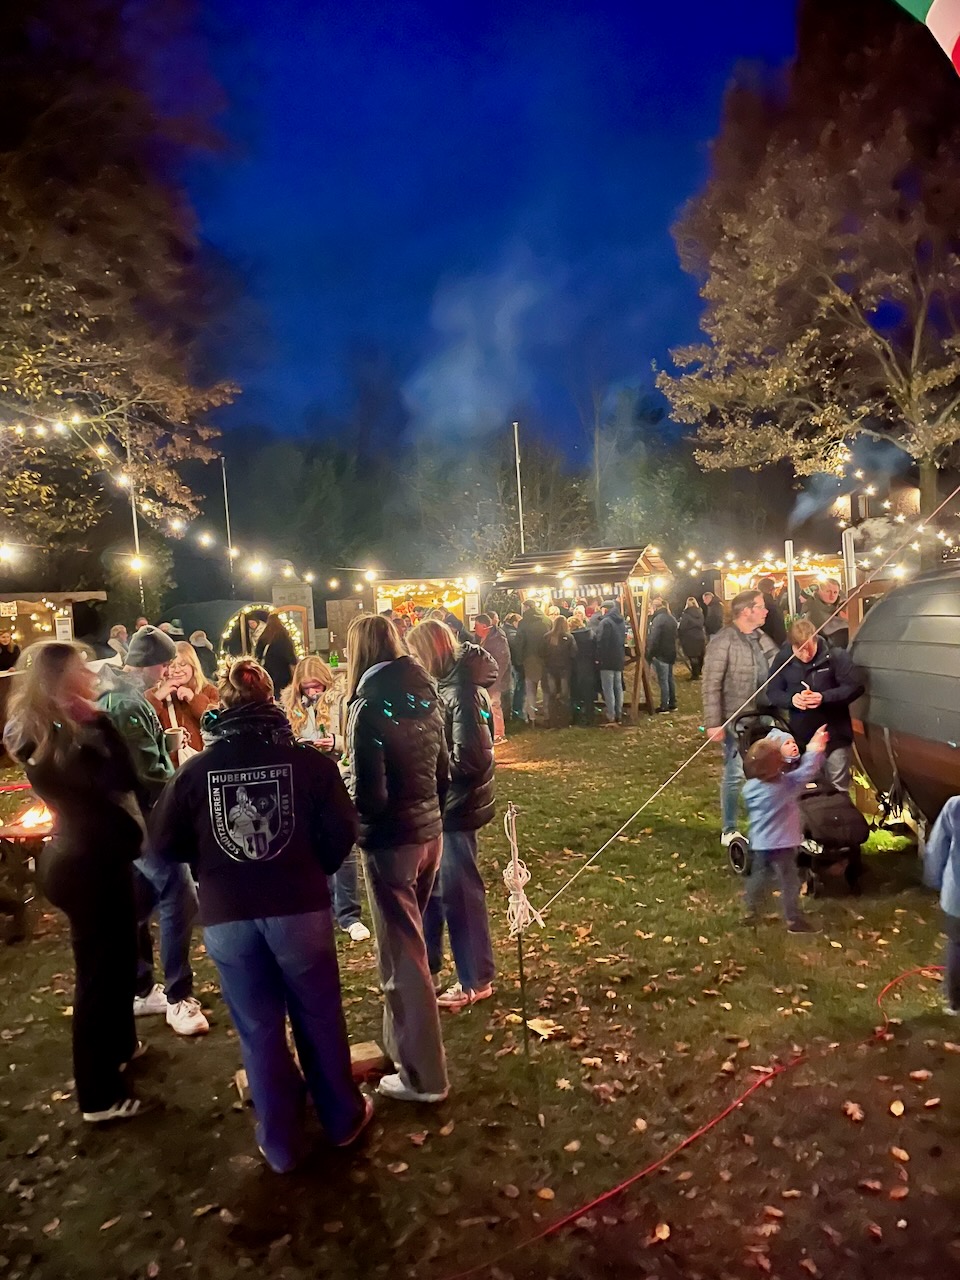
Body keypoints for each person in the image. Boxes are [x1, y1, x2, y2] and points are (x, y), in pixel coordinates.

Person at [151, 659, 371, 1170]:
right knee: (319, 1015)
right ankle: (342, 1119)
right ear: (272, 699)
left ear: (221, 705)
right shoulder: (309, 764)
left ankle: (281, 1143)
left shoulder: (195, 772)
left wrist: (209, 864)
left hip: (229, 912)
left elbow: (162, 841)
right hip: (299, 907)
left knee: (258, 1027)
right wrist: (315, 866)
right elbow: (344, 828)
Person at [4, 642, 147, 1121]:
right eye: (80, 668)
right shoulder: (61, 735)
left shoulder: (45, 730)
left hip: (89, 859)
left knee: (120, 959)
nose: (90, 673)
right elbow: (122, 778)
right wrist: (101, 724)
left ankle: (121, 1047)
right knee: (98, 975)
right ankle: (98, 1095)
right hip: (87, 867)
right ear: (61, 679)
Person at [345, 613, 450, 1103]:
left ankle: (423, 1077)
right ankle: (403, 1051)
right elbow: (443, 770)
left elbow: (371, 796)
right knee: (410, 949)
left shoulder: (368, 706)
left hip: (393, 843)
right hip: (429, 834)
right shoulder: (426, 693)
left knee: (402, 959)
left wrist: (346, 792)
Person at [99, 625, 208, 1036]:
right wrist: (182, 783)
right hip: (144, 819)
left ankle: (141, 986)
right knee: (180, 894)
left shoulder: (115, 694)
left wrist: (162, 743)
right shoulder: (128, 705)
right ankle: (179, 996)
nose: (167, 671)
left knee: (139, 902)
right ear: (151, 664)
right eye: (164, 664)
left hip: (124, 819)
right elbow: (148, 773)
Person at [406, 620, 496, 1010]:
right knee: (438, 891)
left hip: (457, 807)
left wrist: (427, 769)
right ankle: (435, 968)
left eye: (415, 652)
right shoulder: (447, 686)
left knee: (460, 892)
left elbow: (471, 760)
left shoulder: (461, 691)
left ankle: (476, 978)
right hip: (445, 804)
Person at [282, 656, 371, 943]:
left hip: (337, 776)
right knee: (310, 846)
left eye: (316, 687)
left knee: (343, 844)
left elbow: (354, 741)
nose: (312, 693)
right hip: (305, 782)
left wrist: (335, 742)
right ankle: (321, 907)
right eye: (306, 688)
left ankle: (349, 913)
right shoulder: (290, 708)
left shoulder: (341, 703)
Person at [741, 725, 828, 932]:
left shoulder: (751, 787)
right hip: (782, 844)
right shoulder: (783, 788)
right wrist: (815, 748)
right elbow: (805, 772)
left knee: (759, 877)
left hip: (761, 843)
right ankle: (793, 920)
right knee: (790, 881)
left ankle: (752, 911)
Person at [702, 590, 771, 846]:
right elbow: (711, 683)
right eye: (760, 606)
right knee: (735, 774)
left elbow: (778, 664)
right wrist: (713, 722)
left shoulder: (761, 638)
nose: (766, 611)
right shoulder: (723, 641)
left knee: (767, 771)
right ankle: (729, 828)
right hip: (735, 720)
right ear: (746, 611)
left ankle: (766, 824)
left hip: (764, 716)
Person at [765, 619, 864, 793]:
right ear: (792, 645)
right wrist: (792, 700)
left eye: (810, 649)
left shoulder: (835, 656)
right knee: (809, 789)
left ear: (815, 639)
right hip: (803, 736)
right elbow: (772, 691)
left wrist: (824, 697)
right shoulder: (783, 659)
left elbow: (855, 687)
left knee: (838, 788)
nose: (806, 655)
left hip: (835, 733)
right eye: (800, 651)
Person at [148, 642, 219, 758]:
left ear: (193, 666)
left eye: (183, 664)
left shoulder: (209, 691)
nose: (177, 670)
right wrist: (157, 697)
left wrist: (194, 699)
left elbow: (216, 723)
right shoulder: (153, 693)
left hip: (203, 759)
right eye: (172, 666)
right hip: (169, 763)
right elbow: (142, 723)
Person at [923, 797, 960, 1015]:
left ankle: (956, 1003)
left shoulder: (955, 806)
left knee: (957, 947)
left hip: (957, 899)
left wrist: (934, 880)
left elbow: (937, 848)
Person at [473, 613, 511, 743]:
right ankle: (491, 731)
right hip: (487, 679)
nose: (474, 628)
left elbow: (502, 662)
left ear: (484, 626)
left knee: (494, 705)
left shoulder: (497, 639)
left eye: (476, 625)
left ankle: (499, 734)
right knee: (488, 705)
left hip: (494, 680)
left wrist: (494, 679)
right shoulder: (485, 638)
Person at [517, 599, 550, 724]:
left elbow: (520, 642)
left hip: (529, 657)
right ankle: (547, 715)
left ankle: (532, 717)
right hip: (546, 658)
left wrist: (519, 660)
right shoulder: (547, 620)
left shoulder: (523, 622)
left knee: (530, 689)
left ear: (526, 607)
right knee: (546, 689)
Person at [596, 599, 627, 727]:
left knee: (608, 689)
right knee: (617, 687)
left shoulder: (606, 622)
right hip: (618, 658)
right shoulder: (621, 621)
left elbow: (602, 642)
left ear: (605, 609)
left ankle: (611, 715)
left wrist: (598, 657)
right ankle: (619, 713)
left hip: (607, 659)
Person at [541, 614, 576, 728]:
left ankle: (552, 720)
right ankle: (564, 720)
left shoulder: (547, 637)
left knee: (551, 695)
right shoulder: (569, 638)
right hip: (565, 670)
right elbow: (573, 653)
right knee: (564, 695)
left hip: (550, 669)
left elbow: (541, 652)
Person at [645, 598, 678, 714]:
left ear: (655, 607)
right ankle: (672, 703)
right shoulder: (671, 618)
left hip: (661, 653)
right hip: (671, 652)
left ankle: (664, 706)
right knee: (669, 679)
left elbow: (654, 638)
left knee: (663, 680)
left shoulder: (658, 619)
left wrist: (650, 654)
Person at [252, 613, 298, 694]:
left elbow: (257, 655)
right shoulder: (284, 637)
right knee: (283, 694)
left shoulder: (264, 637)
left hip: (268, 672)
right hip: (283, 672)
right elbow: (291, 656)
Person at [801, 578, 848, 648]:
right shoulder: (811, 608)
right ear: (819, 591)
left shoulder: (842, 607)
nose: (832, 595)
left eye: (835, 592)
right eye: (828, 591)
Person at [568, 614, 597, 725]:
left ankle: (576, 717)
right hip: (589, 666)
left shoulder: (571, 637)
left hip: (575, 668)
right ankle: (590, 717)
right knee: (588, 694)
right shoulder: (591, 634)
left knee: (575, 694)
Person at [677, 597, 707, 681]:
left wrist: (679, 633)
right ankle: (699, 671)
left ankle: (695, 674)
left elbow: (682, 626)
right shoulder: (700, 613)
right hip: (700, 636)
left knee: (692, 656)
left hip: (689, 637)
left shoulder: (686, 614)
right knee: (700, 655)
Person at [502, 613, 524, 721]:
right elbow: (516, 649)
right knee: (516, 687)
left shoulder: (504, 630)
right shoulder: (512, 634)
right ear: (514, 622)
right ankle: (515, 711)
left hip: (509, 663)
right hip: (514, 664)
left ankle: (510, 711)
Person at [756, 578, 787, 648]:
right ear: (771, 590)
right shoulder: (772, 606)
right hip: (773, 643)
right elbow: (779, 629)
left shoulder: (755, 605)